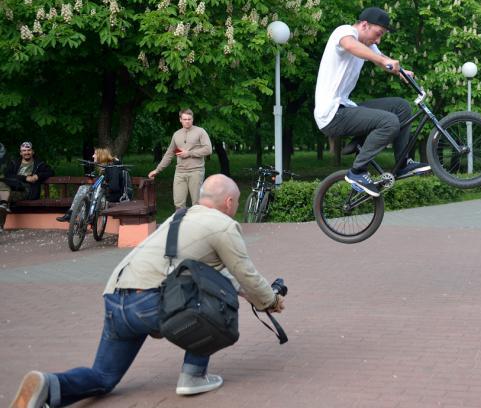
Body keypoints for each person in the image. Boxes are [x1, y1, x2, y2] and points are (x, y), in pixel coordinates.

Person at [10, 174, 285, 408]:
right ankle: (193, 376)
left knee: (103, 377)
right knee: (214, 308)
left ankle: (50, 385)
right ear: (229, 202)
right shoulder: (223, 225)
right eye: (236, 203)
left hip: (116, 298)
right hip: (150, 301)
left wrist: (252, 295)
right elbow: (244, 273)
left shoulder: (180, 217)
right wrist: (270, 300)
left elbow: (220, 273)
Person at [313, 6, 430, 197]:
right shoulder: (344, 32)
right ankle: (357, 171)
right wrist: (382, 61)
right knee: (389, 121)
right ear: (364, 25)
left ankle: (402, 164)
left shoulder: (368, 45)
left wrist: (402, 72)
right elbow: (352, 46)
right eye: (378, 34)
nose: (377, 40)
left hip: (346, 107)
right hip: (332, 114)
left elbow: (383, 59)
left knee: (401, 107)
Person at [149, 109, 212, 209]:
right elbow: (169, 154)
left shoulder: (200, 132)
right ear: (180, 120)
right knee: (178, 204)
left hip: (196, 171)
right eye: (185, 119)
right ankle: (180, 224)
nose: (187, 121)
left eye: (189, 119)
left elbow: (208, 149)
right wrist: (157, 170)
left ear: (192, 119)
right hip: (180, 172)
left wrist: (189, 153)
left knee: (197, 204)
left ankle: (197, 224)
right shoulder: (176, 134)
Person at [0, 141, 54, 232]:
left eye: (28, 150)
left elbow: (51, 172)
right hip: (12, 187)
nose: (26, 153)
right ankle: (4, 205)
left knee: (2, 196)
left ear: (32, 152)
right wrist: (25, 178)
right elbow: (8, 175)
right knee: (2, 191)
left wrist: (37, 176)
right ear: (21, 153)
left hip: (27, 190)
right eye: (24, 151)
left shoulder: (39, 164)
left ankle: (3, 208)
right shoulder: (14, 163)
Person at [55, 147, 120, 223]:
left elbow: (114, 188)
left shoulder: (112, 168)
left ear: (101, 156)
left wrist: (104, 186)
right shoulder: (104, 168)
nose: (93, 156)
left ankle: (79, 222)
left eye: (95, 154)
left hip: (109, 200)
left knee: (87, 198)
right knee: (83, 188)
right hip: (101, 199)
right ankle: (71, 214)